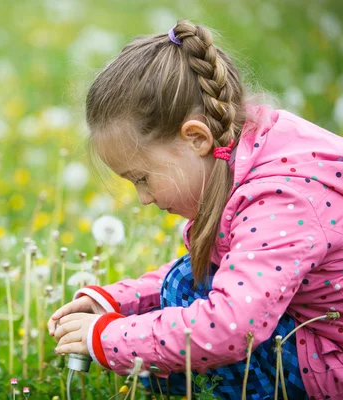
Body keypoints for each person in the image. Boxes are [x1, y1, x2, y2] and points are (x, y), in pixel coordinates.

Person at [47, 19, 343, 400]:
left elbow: (231, 326)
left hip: (332, 362)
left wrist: (108, 339)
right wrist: (117, 301)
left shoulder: (280, 199)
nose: (144, 198)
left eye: (142, 178)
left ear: (196, 138)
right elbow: (225, 271)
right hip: (320, 332)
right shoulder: (254, 145)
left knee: (186, 296)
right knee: (188, 283)